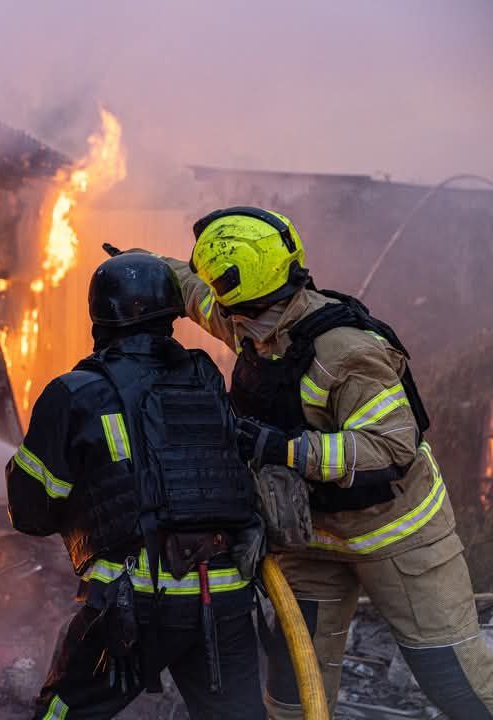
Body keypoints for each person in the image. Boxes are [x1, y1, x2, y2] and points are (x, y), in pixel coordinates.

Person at [151, 205, 493, 718]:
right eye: (235, 314)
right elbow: (200, 295)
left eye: (246, 313)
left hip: (397, 539)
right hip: (310, 543)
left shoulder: (347, 352)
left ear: (282, 288)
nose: (240, 326)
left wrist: (287, 449)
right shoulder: (253, 319)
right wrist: (146, 266)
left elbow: (392, 445)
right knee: (293, 698)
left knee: (458, 687)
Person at [6, 251, 265, 720]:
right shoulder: (205, 378)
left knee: (65, 712)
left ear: (99, 318)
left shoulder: (74, 392)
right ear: (171, 314)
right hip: (225, 597)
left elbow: (31, 513)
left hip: (134, 601)